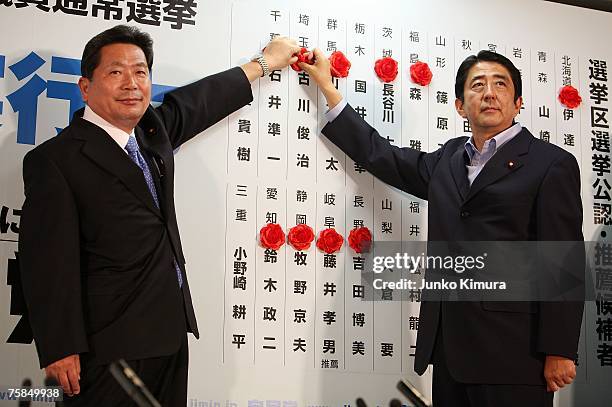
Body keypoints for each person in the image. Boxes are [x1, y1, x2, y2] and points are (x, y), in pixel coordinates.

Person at [18, 25, 299, 406]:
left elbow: (198, 102)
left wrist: (265, 63)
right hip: (106, 347)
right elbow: (45, 264)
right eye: (116, 72)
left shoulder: (151, 134)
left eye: (140, 71)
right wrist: (58, 347)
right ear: (85, 87)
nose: (131, 83)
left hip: (168, 335)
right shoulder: (55, 160)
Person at [299, 49, 584, 407]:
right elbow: (384, 157)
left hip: (515, 354)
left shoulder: (550, 164)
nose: (489, 93)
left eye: (501, 84)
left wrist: (559, 350)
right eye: (477, 86)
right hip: (450, 352)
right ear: (461, 106)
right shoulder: (449, 159)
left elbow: (562, 262)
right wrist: (327, 87)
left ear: (518, 103)